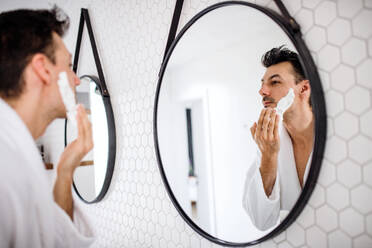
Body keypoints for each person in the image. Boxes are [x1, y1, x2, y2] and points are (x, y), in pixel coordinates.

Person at [0, 6, 95, 247]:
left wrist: (64, 172)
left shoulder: (16, 153)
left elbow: (52, 241)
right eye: (69, 65)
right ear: (42, 68)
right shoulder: (5, 167)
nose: (76, 79)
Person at [242, 46, 314, 231]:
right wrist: (268, 156)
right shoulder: (268, 143)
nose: (262, 91)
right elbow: (261, 220)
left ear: (304, 88)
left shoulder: (336, 136)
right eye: (262, 83)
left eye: (274, 82)